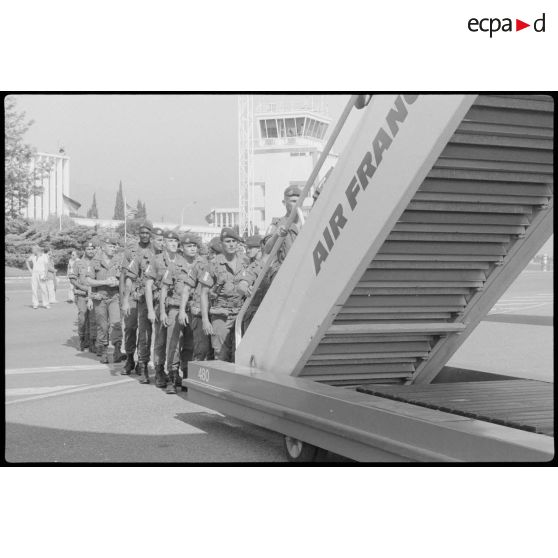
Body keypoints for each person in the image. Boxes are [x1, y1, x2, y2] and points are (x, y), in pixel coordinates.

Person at [199, 228, 256, 362]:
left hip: (241, 314)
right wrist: (205, 320)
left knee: (240, 353)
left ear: (238, 244)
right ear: (221, 244)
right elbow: (203, 294)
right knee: (221, 354)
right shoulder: (213, 264)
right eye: (228, 241)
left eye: (234, 242)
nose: (231, 244)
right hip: (221, 315)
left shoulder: (246, 262)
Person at [122, 224, 164, 382]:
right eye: (159, 239)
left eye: (163, 240)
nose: (162, 243)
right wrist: (126, 300)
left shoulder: (169, 256)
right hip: (142, 300)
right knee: (144, 334)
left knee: (161, 336)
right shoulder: (140, 255)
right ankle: (143, 365)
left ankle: (160, 368)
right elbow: (128, 278)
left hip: (161, 300)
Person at [86, 233, 126, 364]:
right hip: (100, 298)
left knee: (116, 324)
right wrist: (104, 282)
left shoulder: (119, 260)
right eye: (110, 246)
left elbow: (123, 277)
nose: (113, 248)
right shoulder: (94, 262)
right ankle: (103, 351)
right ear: (103, 247)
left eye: (114, 246)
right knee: (102, 326)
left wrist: (118, 282)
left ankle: (117, 350)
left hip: (114, 297)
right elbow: (88, 280)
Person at [179, 233, 211, 364]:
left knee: (195, 344)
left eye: (194, 246)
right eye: (189, 246)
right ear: (182, 248)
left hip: (196, 309)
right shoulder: (176, 262)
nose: (192, 249)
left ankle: (188, 373)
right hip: (178, 306)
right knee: (179, 343)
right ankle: (177, 372)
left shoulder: (203, 264)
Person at [262, 185, 302, 278]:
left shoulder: (308, 223)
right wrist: (276, 235)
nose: (297, 204)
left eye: (299, 201)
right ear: (284, 203)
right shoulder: (277, 224)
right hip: (284, 274)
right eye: (293, 201)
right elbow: (267, 249)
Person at [69, 241, 97, 352]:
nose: (91, 251)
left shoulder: (97, 262)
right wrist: (81, 287)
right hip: (81, 295)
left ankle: (92, 342)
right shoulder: (78, 263)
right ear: (84, 250)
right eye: (88, 249)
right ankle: (82, 339)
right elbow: (72, 278)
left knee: (93, 319)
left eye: (92, 249)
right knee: (82, 317)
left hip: (94, 295)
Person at [26, 244, 50, 309]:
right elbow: (27, 261)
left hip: (42, 273)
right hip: (34, 274)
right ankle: (35, 304)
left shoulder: (44, 256)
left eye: (33, 249)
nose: (32, 251)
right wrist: (30, 270)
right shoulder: (32, 256)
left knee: (44, 289)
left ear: (36, 249)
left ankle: (46, 304)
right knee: (34, 289)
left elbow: (46, 266)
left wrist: (46, 274)